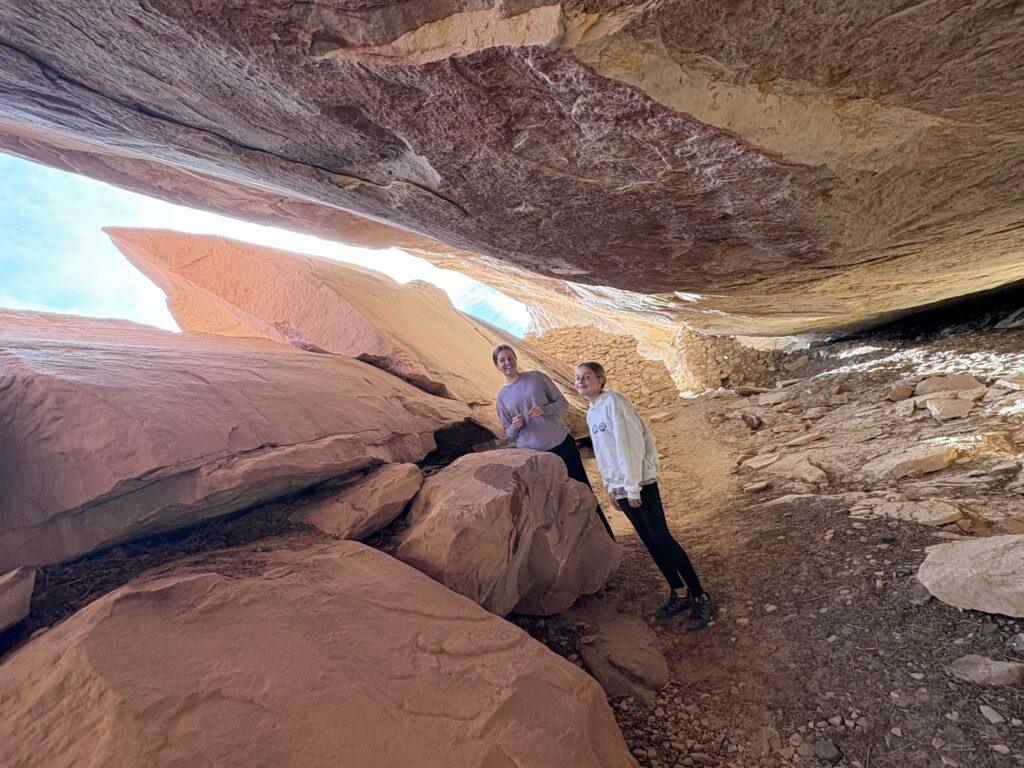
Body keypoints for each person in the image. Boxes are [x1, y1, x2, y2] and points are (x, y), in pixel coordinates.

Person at [575, 359, 714, 629]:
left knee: (663, 539)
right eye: (578, 377)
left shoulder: (614, 403)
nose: (581, 381)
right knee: (650, 541)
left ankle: (700, 595)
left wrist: (632, 487)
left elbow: (630, 445)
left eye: (587, 376)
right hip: (622, 487)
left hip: (639, 484)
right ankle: (679, 592)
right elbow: (604, 454)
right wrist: (611, 488)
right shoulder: (592, 413)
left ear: (601, 380)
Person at [493, 344, 614, 538]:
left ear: (515, 358)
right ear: (497, 366)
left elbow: (563, 403)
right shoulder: (501, 398)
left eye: (510, 357)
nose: (507, 362)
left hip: (561, 444)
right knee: (556, 504)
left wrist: (545, 409)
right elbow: (508, 434)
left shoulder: (537, 377)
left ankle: (606, 539)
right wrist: (515, 425)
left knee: (584, 492)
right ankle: (577, 546)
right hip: (536, 458)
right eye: (502, 360)